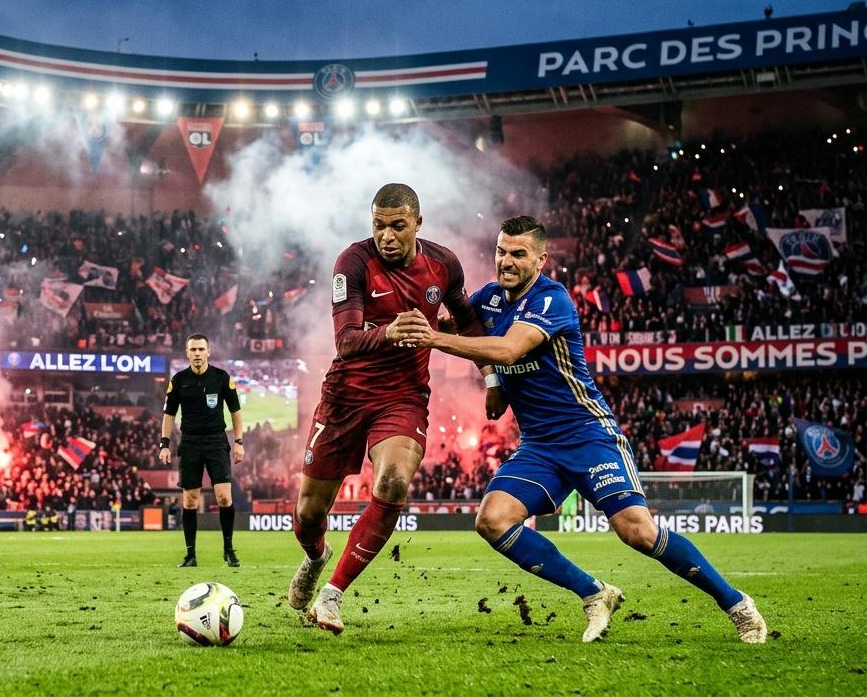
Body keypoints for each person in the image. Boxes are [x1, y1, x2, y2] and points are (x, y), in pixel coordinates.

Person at [401, 215, 767, 643]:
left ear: (541, 259)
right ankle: (595, 593)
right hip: (540, 446)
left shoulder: (551, 300)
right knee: (493, 520)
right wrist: (431, 334)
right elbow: (464, 330)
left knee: (637, 531)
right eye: (501, 251)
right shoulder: (491, 298)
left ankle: (737, 605)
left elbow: (508, 348)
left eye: (518, 253)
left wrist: (433, 339)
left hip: (589, 435)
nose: (506, 261)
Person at [288, 182, 485, 634]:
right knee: (309, 515)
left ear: (418, 223)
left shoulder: (444, 264)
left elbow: (469, 322)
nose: (387, 236)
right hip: (344, 398)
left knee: (394, 482)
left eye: (397, 226)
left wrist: (491, 377)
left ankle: (332, 595)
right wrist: (390, 331)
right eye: (379, 225)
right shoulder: (353, 262)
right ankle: (316, 557)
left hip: (403, 397)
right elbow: (345, 341)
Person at [158, 334, 244, 568]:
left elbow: (235, 412)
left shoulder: (221, 378)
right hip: (190, 443)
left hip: (216, 441)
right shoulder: (179, 380)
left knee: (224, 496)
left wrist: (239, 441)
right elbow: (169, 415)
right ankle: (190, 555)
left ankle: (228, 550)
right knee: (190, 499)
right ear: (187, 353)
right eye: (193, 349)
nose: (197, 353)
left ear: (208, 352)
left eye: (201, 349)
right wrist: (164, 444)